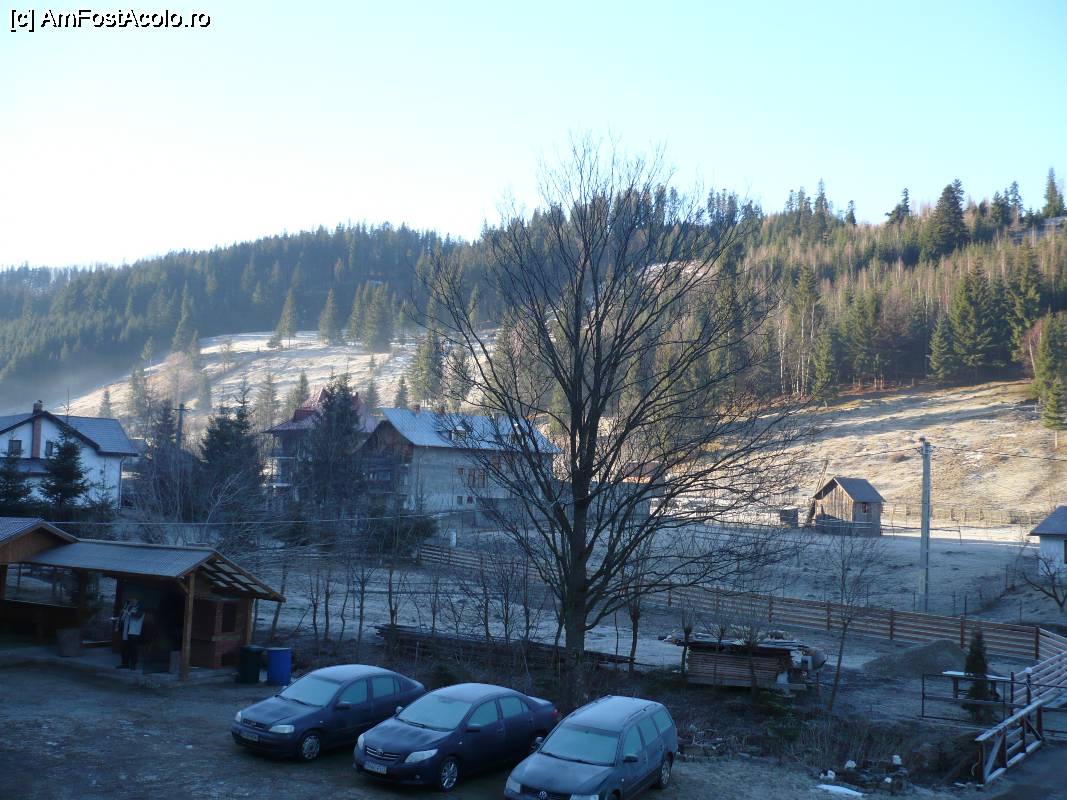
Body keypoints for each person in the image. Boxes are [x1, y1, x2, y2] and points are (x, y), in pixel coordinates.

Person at [116, 597, 145, 670]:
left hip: (134, 632)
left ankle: (133, 665)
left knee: (133, 649)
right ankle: (124, 664)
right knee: (124, 648)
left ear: (137, 601)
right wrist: (122, 614)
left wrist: (127, 612)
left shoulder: (140, 609)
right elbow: (122, 618)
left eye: (134, 599)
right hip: (126, 632)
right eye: (131, 600)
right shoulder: (128, 608)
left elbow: (137, 616)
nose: (132, 601)